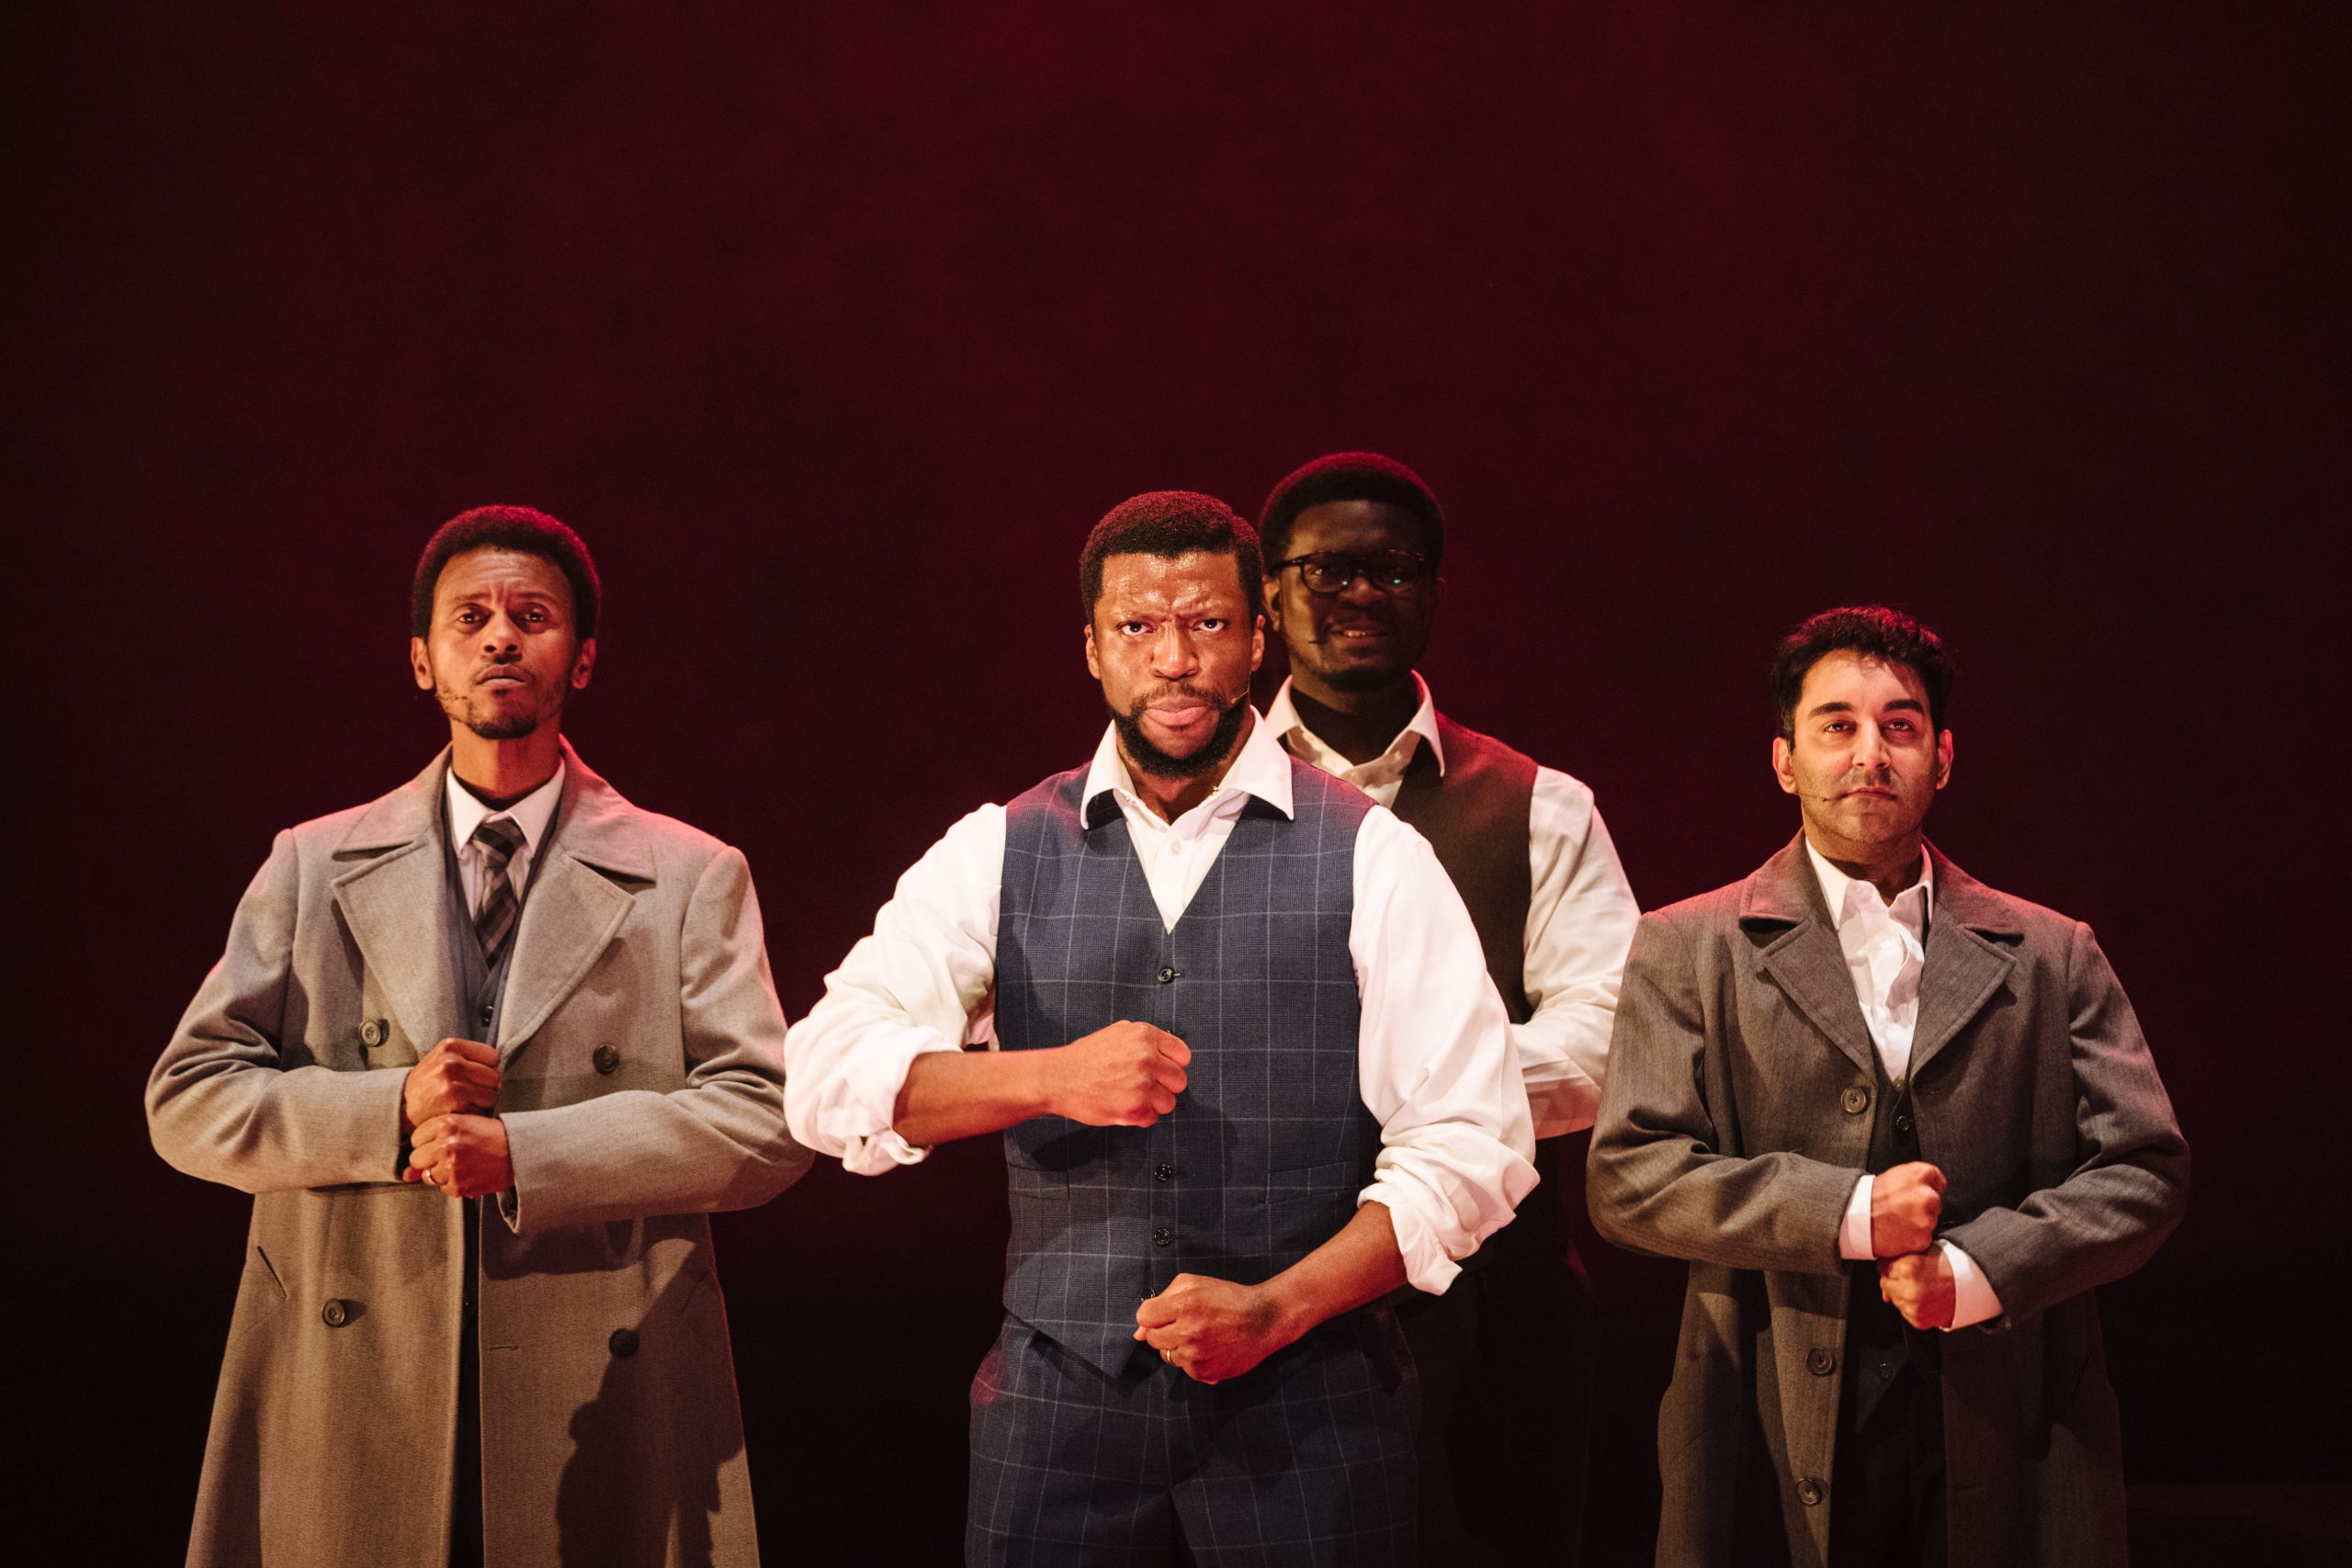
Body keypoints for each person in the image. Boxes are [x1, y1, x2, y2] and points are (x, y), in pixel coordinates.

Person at [785, 491, 1536, 1567]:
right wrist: (1046, 1078)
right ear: (1092, 649)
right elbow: (821, 1077)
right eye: (1138, 627)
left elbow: (1472, 1143)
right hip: (1059, 1416)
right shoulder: (995, 849)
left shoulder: (1373, 855)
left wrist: (1277, 1311)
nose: (1174, 660)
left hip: (1310, 1412)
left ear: (1257, 637)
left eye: (1207, 625)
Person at [147, 505, 811, 1568]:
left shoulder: (689, 873)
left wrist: (531, 1156)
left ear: (582, 659)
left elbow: (770, 1122)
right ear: (423, 660)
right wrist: (388, 1107)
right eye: (471, 617)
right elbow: (186, 1104)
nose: (501, 636)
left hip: (595, 1366)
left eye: (531, 615)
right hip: (362, 1363)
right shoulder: (314, 864)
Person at [1587, 605, 2188, 1568]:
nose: (1870, 752)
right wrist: (1851, 1212)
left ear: (1942, 757)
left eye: (1899, 726)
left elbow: (2145, 1170)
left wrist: (1982, 1270)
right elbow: (1629, 1177)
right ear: (1784, 758)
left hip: (2004, 1417)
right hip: (1766, 1402)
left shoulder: (2048, 952)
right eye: (1836, 725)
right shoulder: (1688, 946)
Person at [1257, 452, 1638, 1566]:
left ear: (1432, 591)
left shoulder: (1540, 805)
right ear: (1269, 596)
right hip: (1260, 1275)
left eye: (1393, 569)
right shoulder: (1194, 792)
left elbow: (1607, 1040)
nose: (1360, 594)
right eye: (1327, 569)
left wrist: (1391, 1100)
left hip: (1496, 1298)